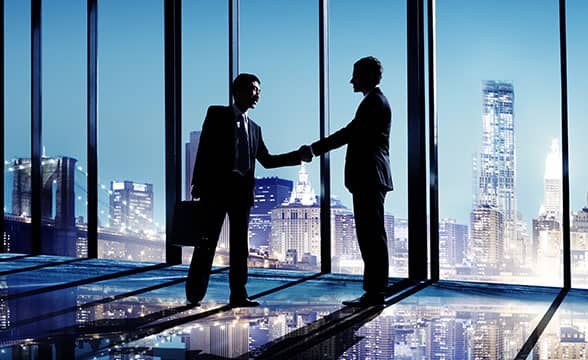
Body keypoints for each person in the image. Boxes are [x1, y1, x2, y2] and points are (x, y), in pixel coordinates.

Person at [186, 73, 308, 307]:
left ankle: (238, 295)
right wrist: (197, 182)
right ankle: (195, 293)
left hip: (241, 194)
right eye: (254, 89)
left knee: (240, 247)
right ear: (238, 91)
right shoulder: (217, 114)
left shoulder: (255, 128)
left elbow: (268, 160)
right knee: (207, 242)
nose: (258, 95)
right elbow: (204, 149)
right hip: (216, 191)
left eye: (259, 91)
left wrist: (297, 157)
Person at [300, 56, 393, 307]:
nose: (351, 80)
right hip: (371, 177)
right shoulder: (375, 101)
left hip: (370, 177)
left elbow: (349, 133)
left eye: (356, 74)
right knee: (371, 235)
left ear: (368, 76)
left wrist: (314, 149)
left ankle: (375, 293)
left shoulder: (373, 102)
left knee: (371, 236)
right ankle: (374, 291)